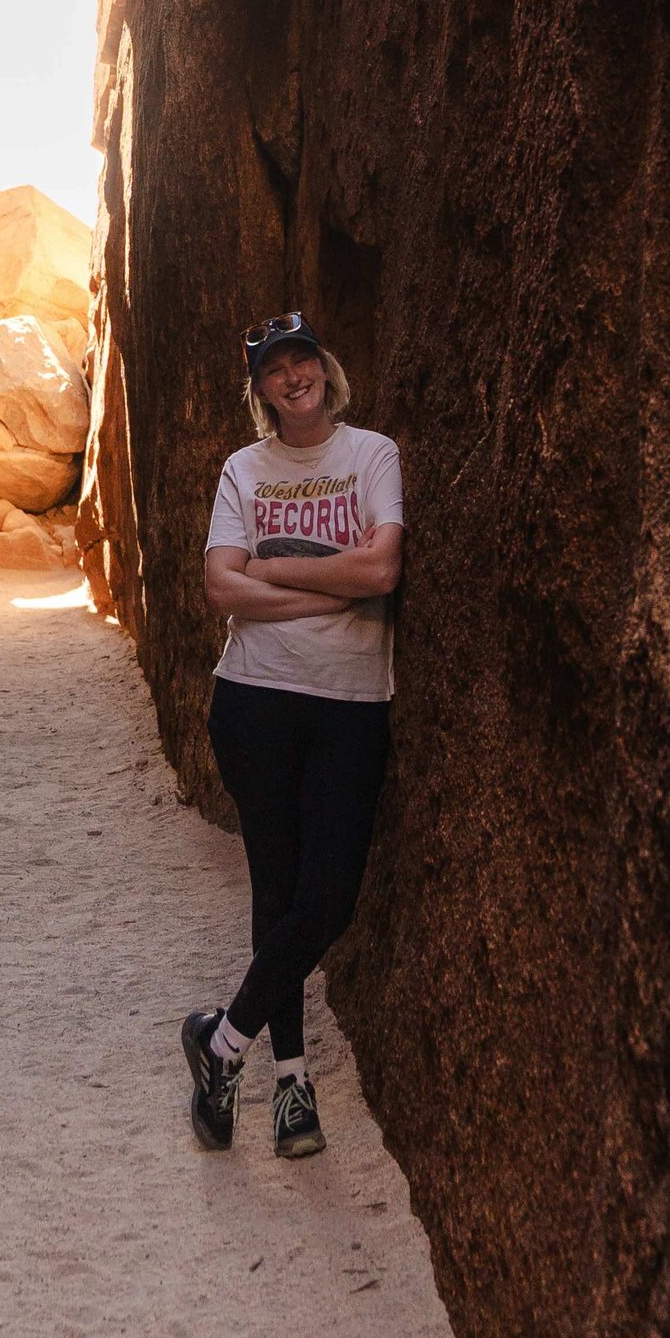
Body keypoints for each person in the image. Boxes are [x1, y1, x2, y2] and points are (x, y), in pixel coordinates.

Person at [181, 314, 402, 1159]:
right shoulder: (245, 469)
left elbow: (383, 569)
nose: (293, 375)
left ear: (326, 367)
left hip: (350, 701)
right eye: (275, 369)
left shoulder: (371, 454)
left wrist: (269, 569)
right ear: (261, 390)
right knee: (275, 894)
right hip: (255, 701)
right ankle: (292, 1087)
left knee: (327, 900)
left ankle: (220, 1043)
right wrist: (326, 591)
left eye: (303, 357)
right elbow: (218, 589)